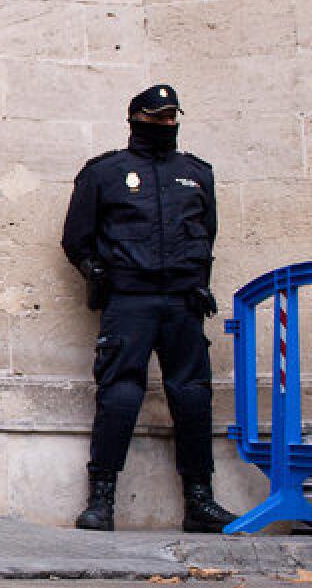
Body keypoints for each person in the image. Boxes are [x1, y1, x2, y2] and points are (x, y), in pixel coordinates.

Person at [62, 84, 235, 533]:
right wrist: (102, 276)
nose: (166, 125)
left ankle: (200, 501)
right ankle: (101, 499)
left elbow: (207, 234)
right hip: (129, 302)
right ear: (136, 118)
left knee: (192, 396)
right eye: (157, 118)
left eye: (171, 117)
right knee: (120, 395)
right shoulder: (105, 173)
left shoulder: (197, 174)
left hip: (182, 303)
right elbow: (76, 239)